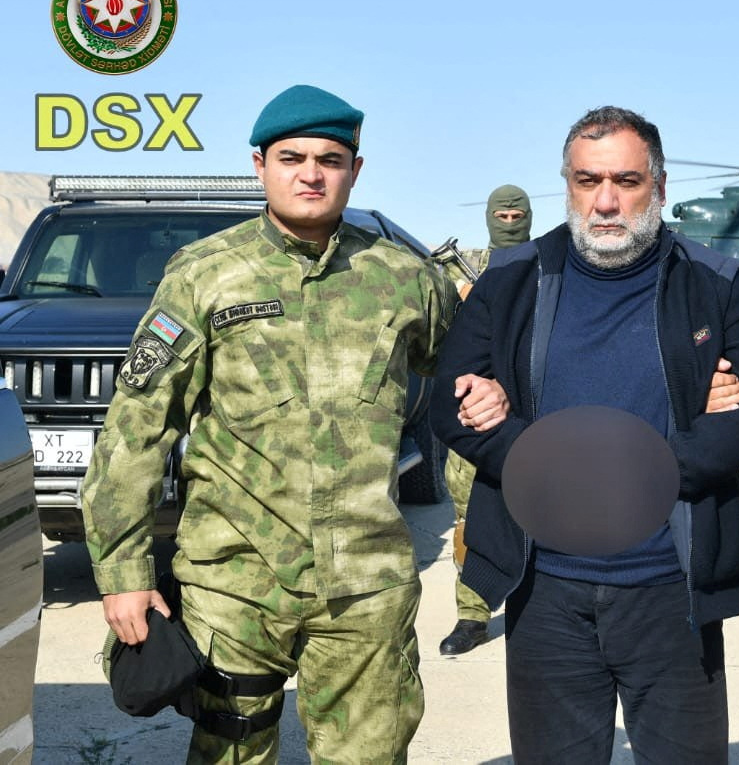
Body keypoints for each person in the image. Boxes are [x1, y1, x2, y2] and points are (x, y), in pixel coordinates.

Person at [81, 84, 466, 764]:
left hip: (364, 588)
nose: (311, 173)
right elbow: (137, 428)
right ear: (260, 165)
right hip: (234, 584)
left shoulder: (407, 279)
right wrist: (123, 572)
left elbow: (475, 383)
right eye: (293, 157)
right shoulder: (206, 276)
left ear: (356, 169)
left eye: (330, 158)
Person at [428, 105, 739, 763]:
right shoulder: (512, 282)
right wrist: (543, 460)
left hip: (671, 591)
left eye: (625, 181)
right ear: (565, 185)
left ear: (658, 185)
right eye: (586, 181)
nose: (604, 202)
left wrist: (655, 467)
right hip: (544, 593)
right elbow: (447, 403)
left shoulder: (714, 284)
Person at [435, 184, 533, 656]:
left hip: (534, 407)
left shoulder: (550, 261)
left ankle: (533, 608)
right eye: (502, 215)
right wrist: (463, 302)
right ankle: (471, 616)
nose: (509, 222)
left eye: (518, 216)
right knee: (469, 517)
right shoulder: (457, 264)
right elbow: (432, 335)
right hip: (474, 412)